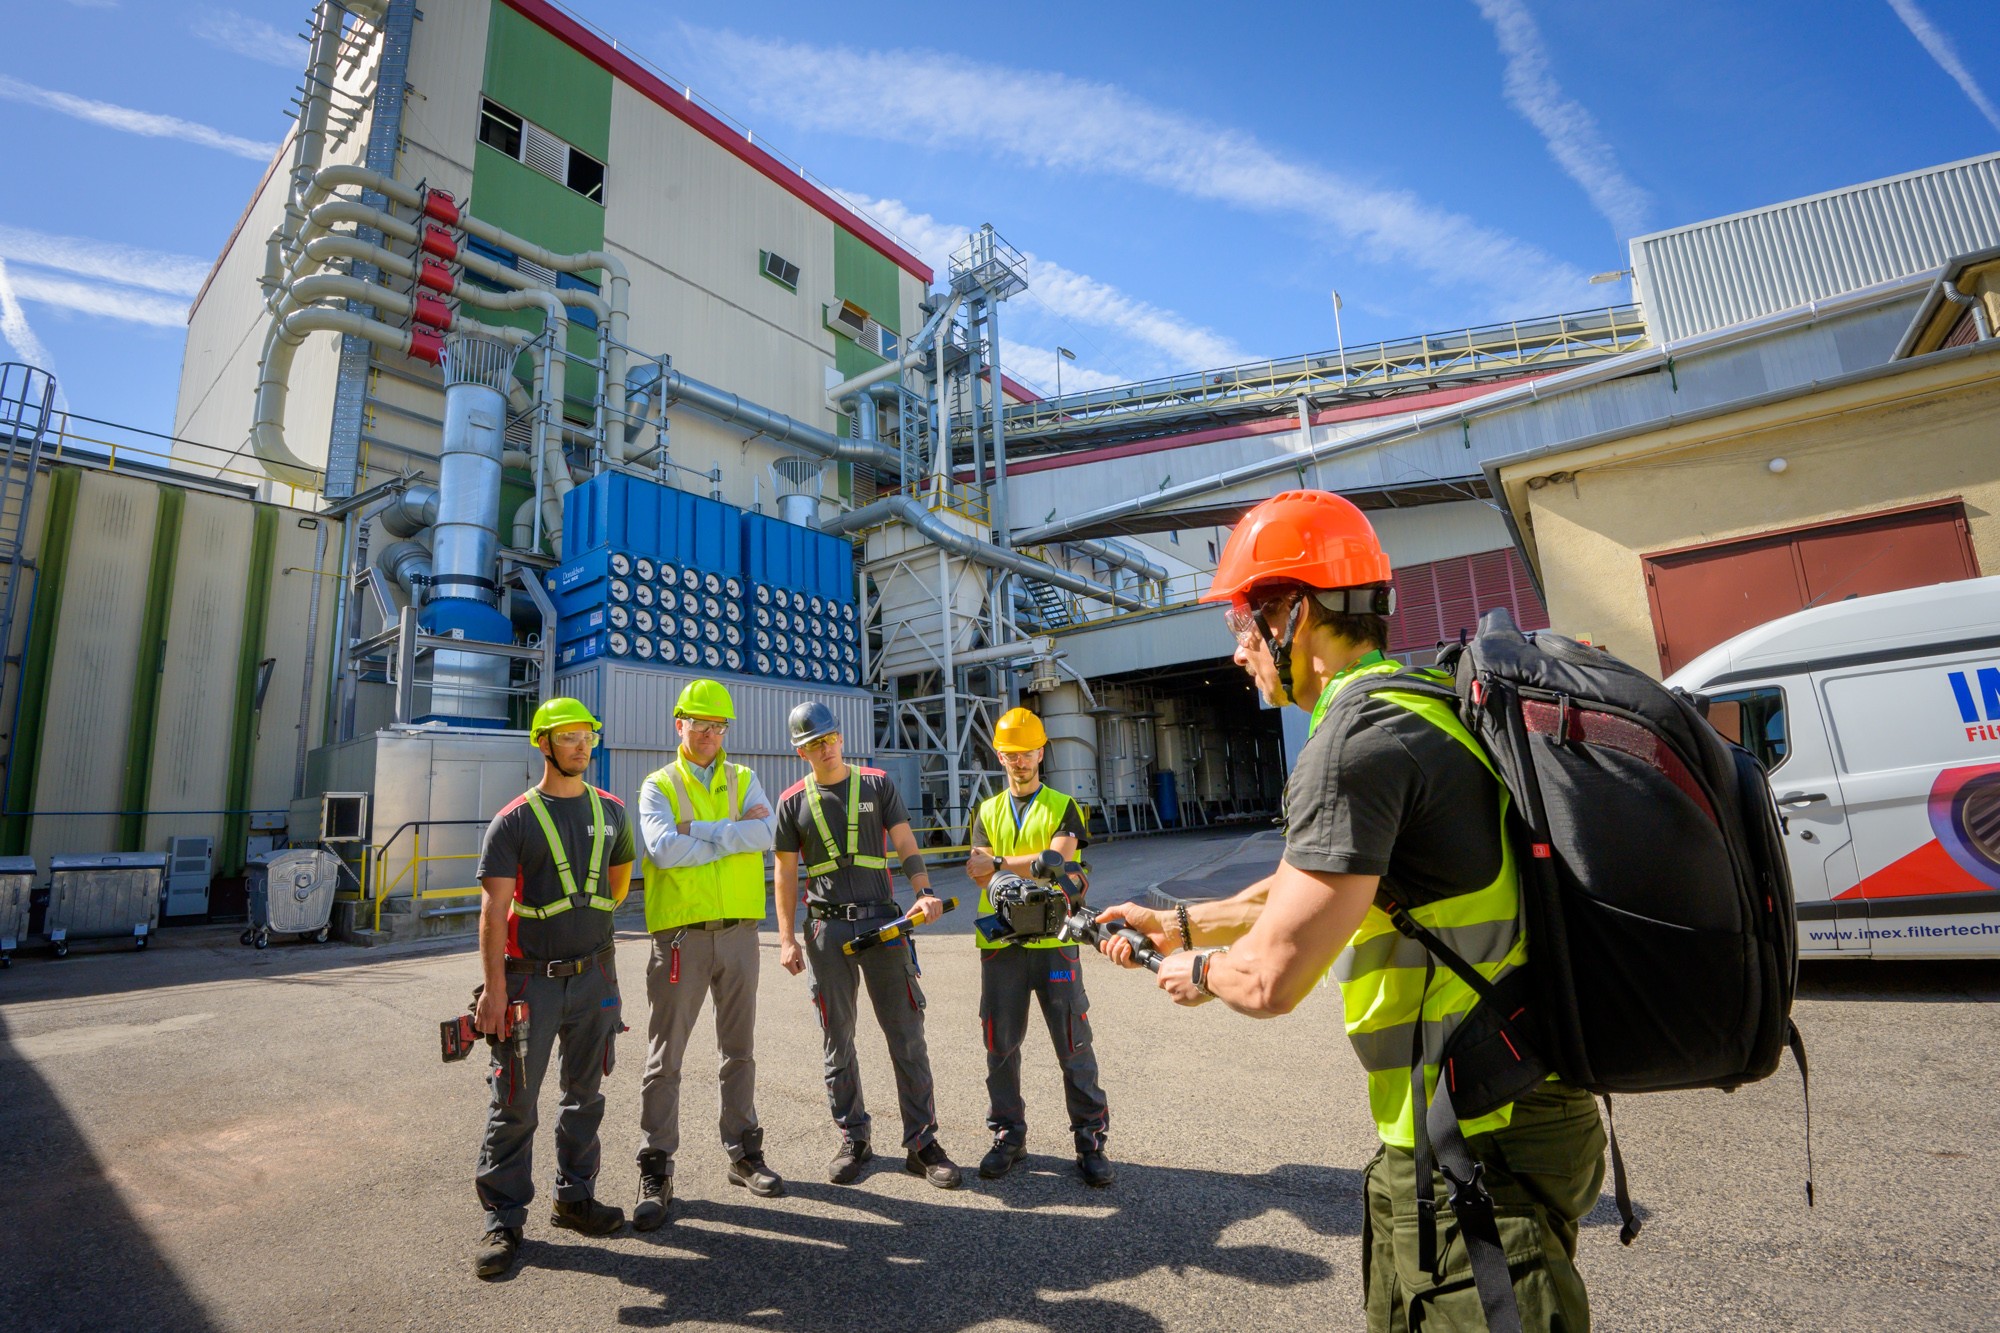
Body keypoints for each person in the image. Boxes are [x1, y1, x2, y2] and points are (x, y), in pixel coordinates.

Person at [1093, 490, 1605, 1332]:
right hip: (1481, 1106)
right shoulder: (1413, 705)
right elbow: (1326, 881)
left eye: (1243, 622)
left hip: (1483, 1130)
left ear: (1295, 612)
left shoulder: (1353, 745)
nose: (1237, 650)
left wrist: (1197, 970)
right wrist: (1178, 923)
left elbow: (1271, 979)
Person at [471, 697, 637, 1279]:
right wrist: (493, 991)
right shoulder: (513, 820)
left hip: (595, 975)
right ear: (543, 744)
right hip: (528, 982)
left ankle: (575, 1199)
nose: (581, 746)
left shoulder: (612, 812)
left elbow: (619, 883)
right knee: (515, 1102)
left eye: (587, 736)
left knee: (585, 1095)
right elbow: (493, 912)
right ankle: (503, 1220)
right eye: (568, 737)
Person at [771, 700, 964, 1189]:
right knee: (837, 1039)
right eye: (814, 744)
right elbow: (785, 873)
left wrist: (923, 891)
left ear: (840, 737)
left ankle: (922, 1144)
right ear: (800, 752)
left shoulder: (877, 784)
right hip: (826, 931)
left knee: (907, 1035)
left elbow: (905, 842)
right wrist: (786, 938)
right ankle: (853, 1138)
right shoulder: (792, 802)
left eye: (829, 738)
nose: (825, 748)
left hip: (883, 924)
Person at [631, 679, 781, 1231]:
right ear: (681, 725)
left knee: (739, 1050)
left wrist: (700, 830)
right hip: (681, 938)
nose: (709, 735)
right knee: (665, 1057)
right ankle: (656, 1166)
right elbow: (663, 849)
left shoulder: (743, 777)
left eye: (718, 727)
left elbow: (766, 834)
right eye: (700, 725)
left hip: (740, 932)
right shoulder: (659, 785)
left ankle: (744, 1153)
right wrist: (731, 834)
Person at [965, 706, 1112, 1187]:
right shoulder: (985, 811)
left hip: (1054, 941)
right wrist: (1018, 865)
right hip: (1001, 945)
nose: (1020, 761)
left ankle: (1090, 1140)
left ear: (1041, 752)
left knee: (1073, 1044)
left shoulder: (1064, 806)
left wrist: (1001, 863)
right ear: (999, 756)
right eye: (1011, 753)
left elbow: (1057, 863)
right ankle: (1008, 1136)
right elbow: (978, 871)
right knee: (999, 1046)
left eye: (1027, 752)